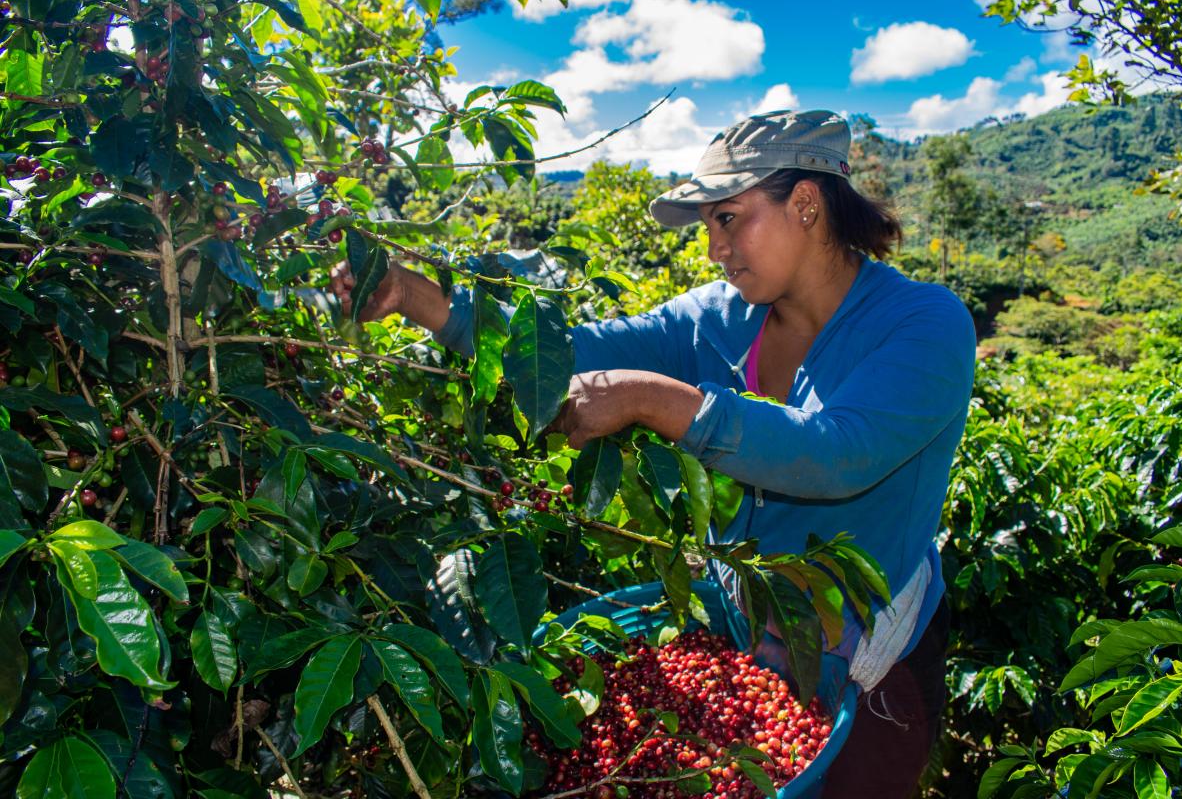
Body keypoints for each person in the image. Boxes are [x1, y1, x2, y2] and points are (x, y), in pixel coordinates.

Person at [333, 109, 976, 798]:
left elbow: (839, 454)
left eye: (728, 218)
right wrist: (417, 299)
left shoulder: (925, 324)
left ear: (807, 204)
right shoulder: (716, 317)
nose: (713, 247)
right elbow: (569, 351)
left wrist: (660, 401)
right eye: (707, 226)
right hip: (745, 623)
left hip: (874, 658)